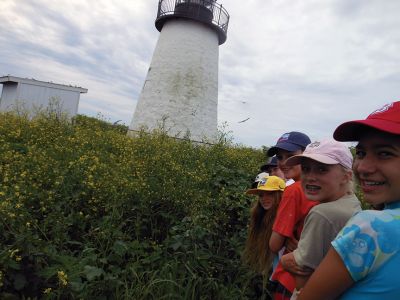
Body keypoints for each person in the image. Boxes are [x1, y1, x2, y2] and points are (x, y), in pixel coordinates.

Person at [298, 101, 400, 299]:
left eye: (385, 153)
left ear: (345, 176)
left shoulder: (372, 226)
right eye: (361, 153)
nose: (363, 167)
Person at [279, 139, 361, 297]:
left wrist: (285, 261)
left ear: (346, 176)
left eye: (322, 169)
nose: (310, 177)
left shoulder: (322, 213)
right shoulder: (351, 201)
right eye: (306, 169)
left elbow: (302, 277)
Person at [267, 131, 316, 299]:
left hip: (289, 278)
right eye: (280, 157)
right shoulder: (322, 188)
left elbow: (274, 245)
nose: (284, 162)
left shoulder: (293, 191)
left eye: (291, 155)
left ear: (307, 155)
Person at [242, 175, 286, 275]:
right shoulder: (259, 216)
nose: (264, 199)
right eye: (261, 195)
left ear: (281, 195)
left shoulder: (285, 218)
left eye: (270, 194)